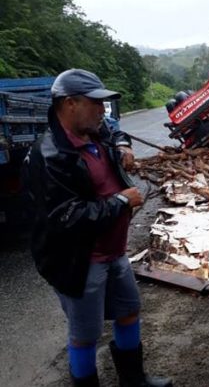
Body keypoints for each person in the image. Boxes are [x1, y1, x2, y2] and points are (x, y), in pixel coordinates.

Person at [25, 69, 172, 387]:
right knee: (85, 335)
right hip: (80, 260)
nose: (102, 111)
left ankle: (134, 380)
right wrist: (120, 202)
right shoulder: (49, 155)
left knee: (129, 311)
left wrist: (123, 144)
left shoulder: (94, 130)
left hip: (114, 250)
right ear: (70, 103)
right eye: (95, 104)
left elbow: (114, 130)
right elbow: (66, 218)